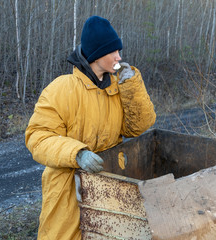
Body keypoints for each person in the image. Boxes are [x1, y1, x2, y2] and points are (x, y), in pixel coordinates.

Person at [25, 16, 156, 239]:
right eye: (113, 51)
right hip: (68, 192)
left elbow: (139, 127)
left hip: (109, 184)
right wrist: (77, 154)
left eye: (119, 50)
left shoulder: (118, 87)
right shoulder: (61, 89)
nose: (119, 57)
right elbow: (38, 137)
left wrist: (132, 86)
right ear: (97, 55)